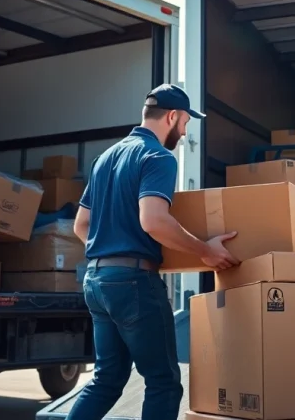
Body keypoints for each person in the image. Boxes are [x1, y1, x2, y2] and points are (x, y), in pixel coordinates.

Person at [68, 84, 240, 420]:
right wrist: (205, 251)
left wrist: (109, 250)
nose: (185, 131)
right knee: (163, 381)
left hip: (96, 280)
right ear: (173, 116)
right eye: (186, 122)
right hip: (132, 282)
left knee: (106, 379)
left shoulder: (105, 158)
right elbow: (154, 221)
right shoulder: (158, 157)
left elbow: (81, 225)